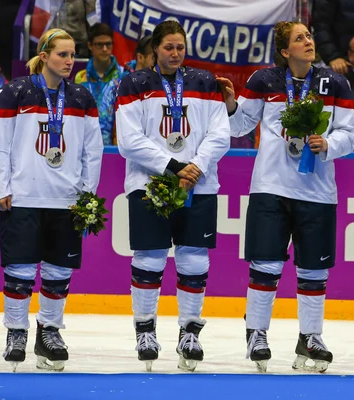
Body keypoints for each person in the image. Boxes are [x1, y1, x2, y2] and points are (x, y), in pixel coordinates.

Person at [216, 21, 354, 373]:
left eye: (309, 36)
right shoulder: (264, 80)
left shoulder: (335, 83)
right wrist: (232, 105)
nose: (308, 41)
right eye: (300, 38)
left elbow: (348, 133)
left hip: (318, 190)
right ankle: (257, 332)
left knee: (314, 270)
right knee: (266, 265)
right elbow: (239, 127)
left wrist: (328, 144)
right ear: (284, 51)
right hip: (271, 187)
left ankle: (310, 336)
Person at [0, 28, 103, 372]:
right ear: (45, 55)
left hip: (66, 200)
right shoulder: (15, 92)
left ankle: (49, 331)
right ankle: (16, 333)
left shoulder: (82, 98)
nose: (69, 61)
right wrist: (0, 187)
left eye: (73, 54)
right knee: (19, 270)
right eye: (63, 54)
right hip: (22, 195)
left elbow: (93, 151)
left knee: (58, 272)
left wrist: (87, 194)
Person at [115, 20, 230, 373]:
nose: (175, 53)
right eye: (169, 47)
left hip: (198, 183)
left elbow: (220, 132)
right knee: (149, 257)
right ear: (155, 49)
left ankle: (189, 332)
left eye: (180, 47)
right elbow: (128, 140)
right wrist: (172, 166)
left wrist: (194, 166)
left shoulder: (205, 82)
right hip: (150, 185)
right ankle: (145, 331)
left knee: (193, 259)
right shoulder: (134, 84)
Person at [75, 23, 123, 145]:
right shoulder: (81, 78)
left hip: (116, 148)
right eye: (99, 45)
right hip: (86, 145)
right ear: (90, 46)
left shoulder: (124, 76)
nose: (105, 49)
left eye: (108, 44)